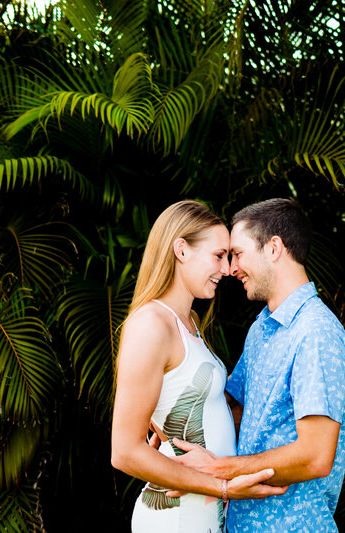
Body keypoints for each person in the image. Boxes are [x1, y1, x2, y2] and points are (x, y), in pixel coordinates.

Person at [170, 198, 345, 532]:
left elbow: (315, 455)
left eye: (238, 254)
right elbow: (234, 407)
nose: (230, 268)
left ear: (274, 248)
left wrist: (221, 469)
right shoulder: (263, 326)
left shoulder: (316, 333)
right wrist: (168, 419)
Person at [110, 200, 287, 533]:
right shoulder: (152, 324)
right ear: (181, 250)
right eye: (218, 256)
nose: (226, 269)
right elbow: (124, 451)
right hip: (175, 517)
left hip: (202, 515)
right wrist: (223, 487)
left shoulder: (188, 321)